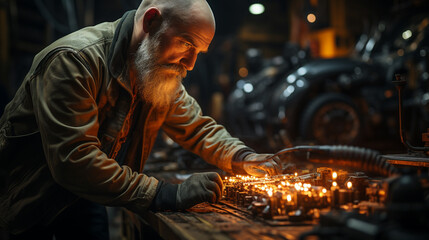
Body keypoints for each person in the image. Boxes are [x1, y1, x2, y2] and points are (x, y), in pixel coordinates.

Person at [0, 0, 281, 239]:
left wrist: (243, 156)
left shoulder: (155, 69)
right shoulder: (74, 62)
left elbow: (197, 127)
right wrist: (165, 194)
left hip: (86, 198)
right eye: (186, 44)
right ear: (151, 21)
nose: (191, 63)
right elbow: (75, 161)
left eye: (199, 52)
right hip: (29, 210)